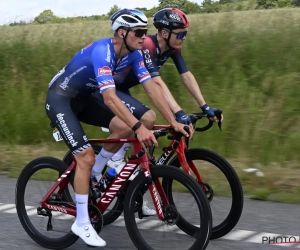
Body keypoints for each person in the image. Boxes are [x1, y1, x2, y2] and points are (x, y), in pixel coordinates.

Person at [45, 8, 191, 247]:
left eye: (145, 32)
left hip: (86, 98)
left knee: (124, 129)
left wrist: (174, 119)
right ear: (122, 33)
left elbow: (152, 88)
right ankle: (81, 222)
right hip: (62, 99)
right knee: (85, 156)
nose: (145, 37)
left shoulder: (133, 53)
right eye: (139, 32)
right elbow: (111, 98)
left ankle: (96, 172)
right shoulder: (103, 52)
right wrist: (139, 127)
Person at [93, 8, 224, 215]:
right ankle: (115, 159)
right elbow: (156, 83)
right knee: (147, 119)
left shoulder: (173, 48)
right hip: (111, 89)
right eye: (180, 33)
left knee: (143, 153)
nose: (183, 37)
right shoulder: (146, 45)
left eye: (185, 33)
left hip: (124, 89)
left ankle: (133, 192)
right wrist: (178, 114)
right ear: (165, 33)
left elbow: (186, 75)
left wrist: (205, 106)